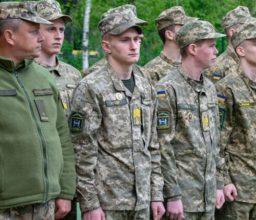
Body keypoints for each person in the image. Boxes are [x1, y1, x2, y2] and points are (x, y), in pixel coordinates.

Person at [70, 5, 164, 220]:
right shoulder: (91, 87)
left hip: (142, 200)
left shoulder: (145, 86)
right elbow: (82, 151)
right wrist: (90, 204)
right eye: (125, 40)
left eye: (137, 39)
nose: (134, 46)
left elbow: (153, 144)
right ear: (107, 45)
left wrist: (156, 194)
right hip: (107, 202)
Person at [0, 2, 76, 219]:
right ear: (9, 36)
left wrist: (66, 190)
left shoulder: (42, 77)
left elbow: (62, 136)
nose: (41, 38)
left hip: (45, 203)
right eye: (34, 32)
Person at [155, 20, 225, 220]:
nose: (216, 51)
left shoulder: (210, 88)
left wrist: (219, 183)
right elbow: (163, 147)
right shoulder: (167, 88)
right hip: (183, 197)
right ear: (193, 49)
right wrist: (173, 194)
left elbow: (215, 141)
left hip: (207, 194)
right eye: (210, 46)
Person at [215, 20, 256, 220]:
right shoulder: (226, 88)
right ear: (241, 50)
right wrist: (224, 181)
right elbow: (218, 141)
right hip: (239, 187)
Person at [35, 0, 81, 120]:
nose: (58, 36)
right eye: (51, 29)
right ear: (36, 32)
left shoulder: (74, 75)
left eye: (61, 30)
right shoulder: (24, 73)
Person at [204, 6, 256, 83]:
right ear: (232, 32)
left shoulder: (254, 60)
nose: (254, 32)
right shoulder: (216, 68)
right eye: (247, 28)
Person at [143, 6, 195, 84]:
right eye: (184, 27)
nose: (190, 31)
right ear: (169, 35)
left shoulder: (192, 66)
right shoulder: (151, 71)